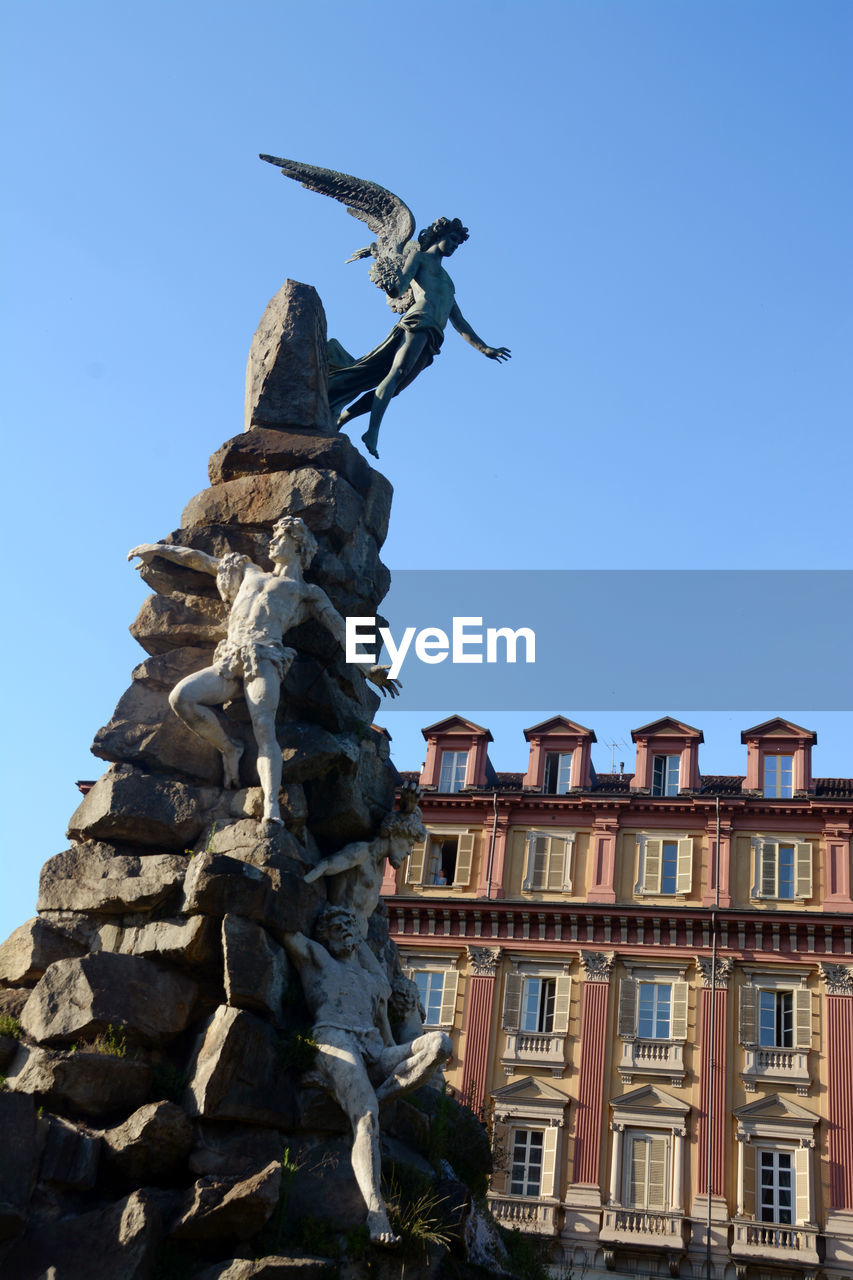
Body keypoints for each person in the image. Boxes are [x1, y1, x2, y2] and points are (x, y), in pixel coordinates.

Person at [128, 517, 399, 825]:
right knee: (181, 698)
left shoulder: (306, 593)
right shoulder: (248, 571)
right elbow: (200, 560)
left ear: (297, 546)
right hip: (229, 658)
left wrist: (368, 667)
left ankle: (271, 807)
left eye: (279, 537)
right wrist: (158, 550)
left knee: (265, 732)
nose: (271, 543)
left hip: (265, 658)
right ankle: (230, 748)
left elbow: (340, 630)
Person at [283, 906, 452, 1246]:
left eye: (350, 925)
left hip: (373, 1048)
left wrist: (359, 936)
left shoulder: (371, 981)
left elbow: (388, 1037)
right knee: (366, 1117)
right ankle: (376, 1213)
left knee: (439, 1044)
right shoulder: (317, 957)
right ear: (324, 935)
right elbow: (283, 929)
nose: (345, 930)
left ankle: (381, 1095)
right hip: (335, 1039)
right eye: (337, 926)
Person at [330, 217, 511, 458]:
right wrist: (388, 283)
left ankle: (343, 418)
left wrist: (484, 348)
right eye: (453, 240)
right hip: (417, 322)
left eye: (458, 242)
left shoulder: (448, 281)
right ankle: (372, 432)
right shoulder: (420, 259)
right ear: (439, 236)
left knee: (394, 386)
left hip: (434, 336)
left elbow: (458, 320)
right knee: (396, 374)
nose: (455, 246)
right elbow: (400, 287)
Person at [302, 782, 426, 938]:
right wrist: (302, 881)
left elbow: (400, 819)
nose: (409, 851)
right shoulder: (361, 852)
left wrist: (411, 808)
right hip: (339, 931)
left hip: (358, 937)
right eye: (409, 843)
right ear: (395, 834)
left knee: (373, 964)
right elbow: (327, 865)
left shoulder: (379, 865)